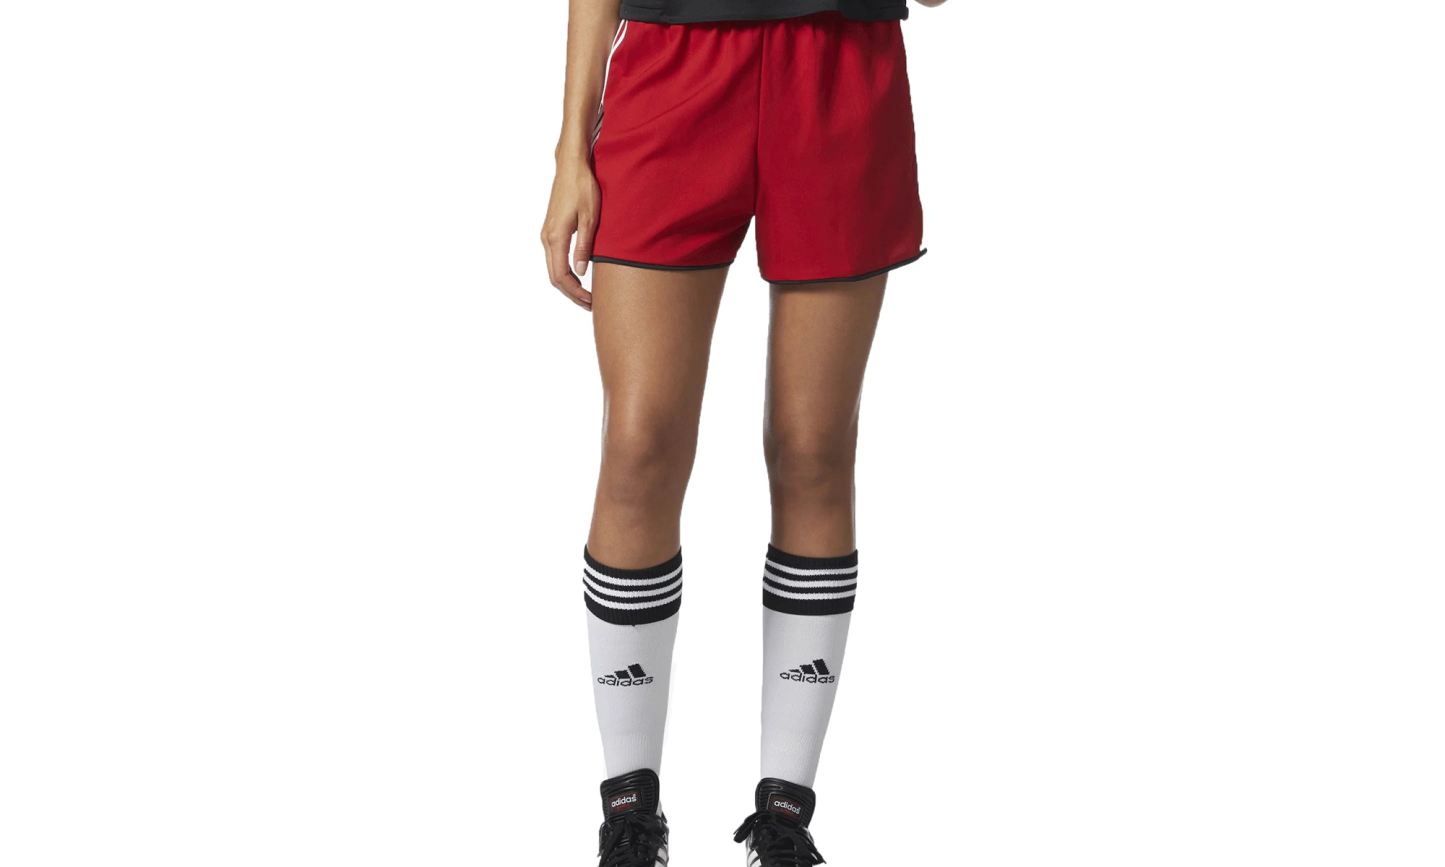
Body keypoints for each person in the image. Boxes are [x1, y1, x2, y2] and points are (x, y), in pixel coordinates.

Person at [542, 1, 947, 864]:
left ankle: (785, 815)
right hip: (674, 61)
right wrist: (570, 148)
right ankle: (629, 810)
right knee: (639, 445)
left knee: (813, 448)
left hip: (839, 62)